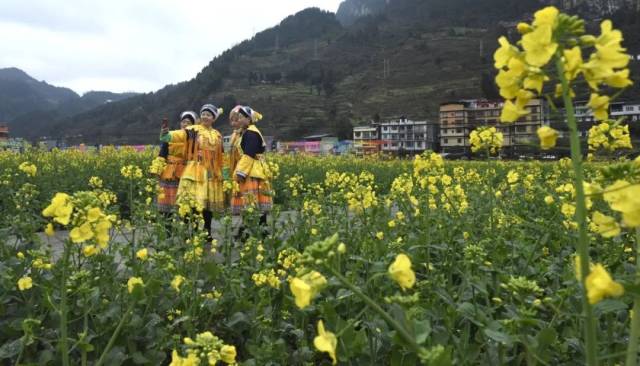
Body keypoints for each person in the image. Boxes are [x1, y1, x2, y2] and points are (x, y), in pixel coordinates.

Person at [161, 104, 225, 241]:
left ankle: (207, 233)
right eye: (203, 114)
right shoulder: (193, 130)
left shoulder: (218, 135)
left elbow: (221, 155)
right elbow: (179, 135)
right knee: (191, 202)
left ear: (213, 118)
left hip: (211, 172)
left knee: (208, 205)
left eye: (209, 115)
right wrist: (167, 135)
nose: (205, 116)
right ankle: (190, 232)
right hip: (195, 170)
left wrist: (223, 173)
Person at [228, 105, 273, 237]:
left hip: (252, 171)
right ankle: (254, 231)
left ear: (249, 119)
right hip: (253, 169)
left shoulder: (251, 133)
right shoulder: (247, 132)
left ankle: (252, 232)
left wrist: (240, 173)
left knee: (251, 202)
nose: (239, 120)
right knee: (253, 203)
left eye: (242, 117)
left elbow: (249, 154)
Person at [156, 111, 196, 215]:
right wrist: (157, 170)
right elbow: (162, 154)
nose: (185, 124)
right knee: (166, 201)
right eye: (183, 122)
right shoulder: (171, 135)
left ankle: (183, 225)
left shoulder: (194, 138)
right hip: (168, 171)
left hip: (185, 171)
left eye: (188, 122)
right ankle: (167, 227)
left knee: (184, 202)